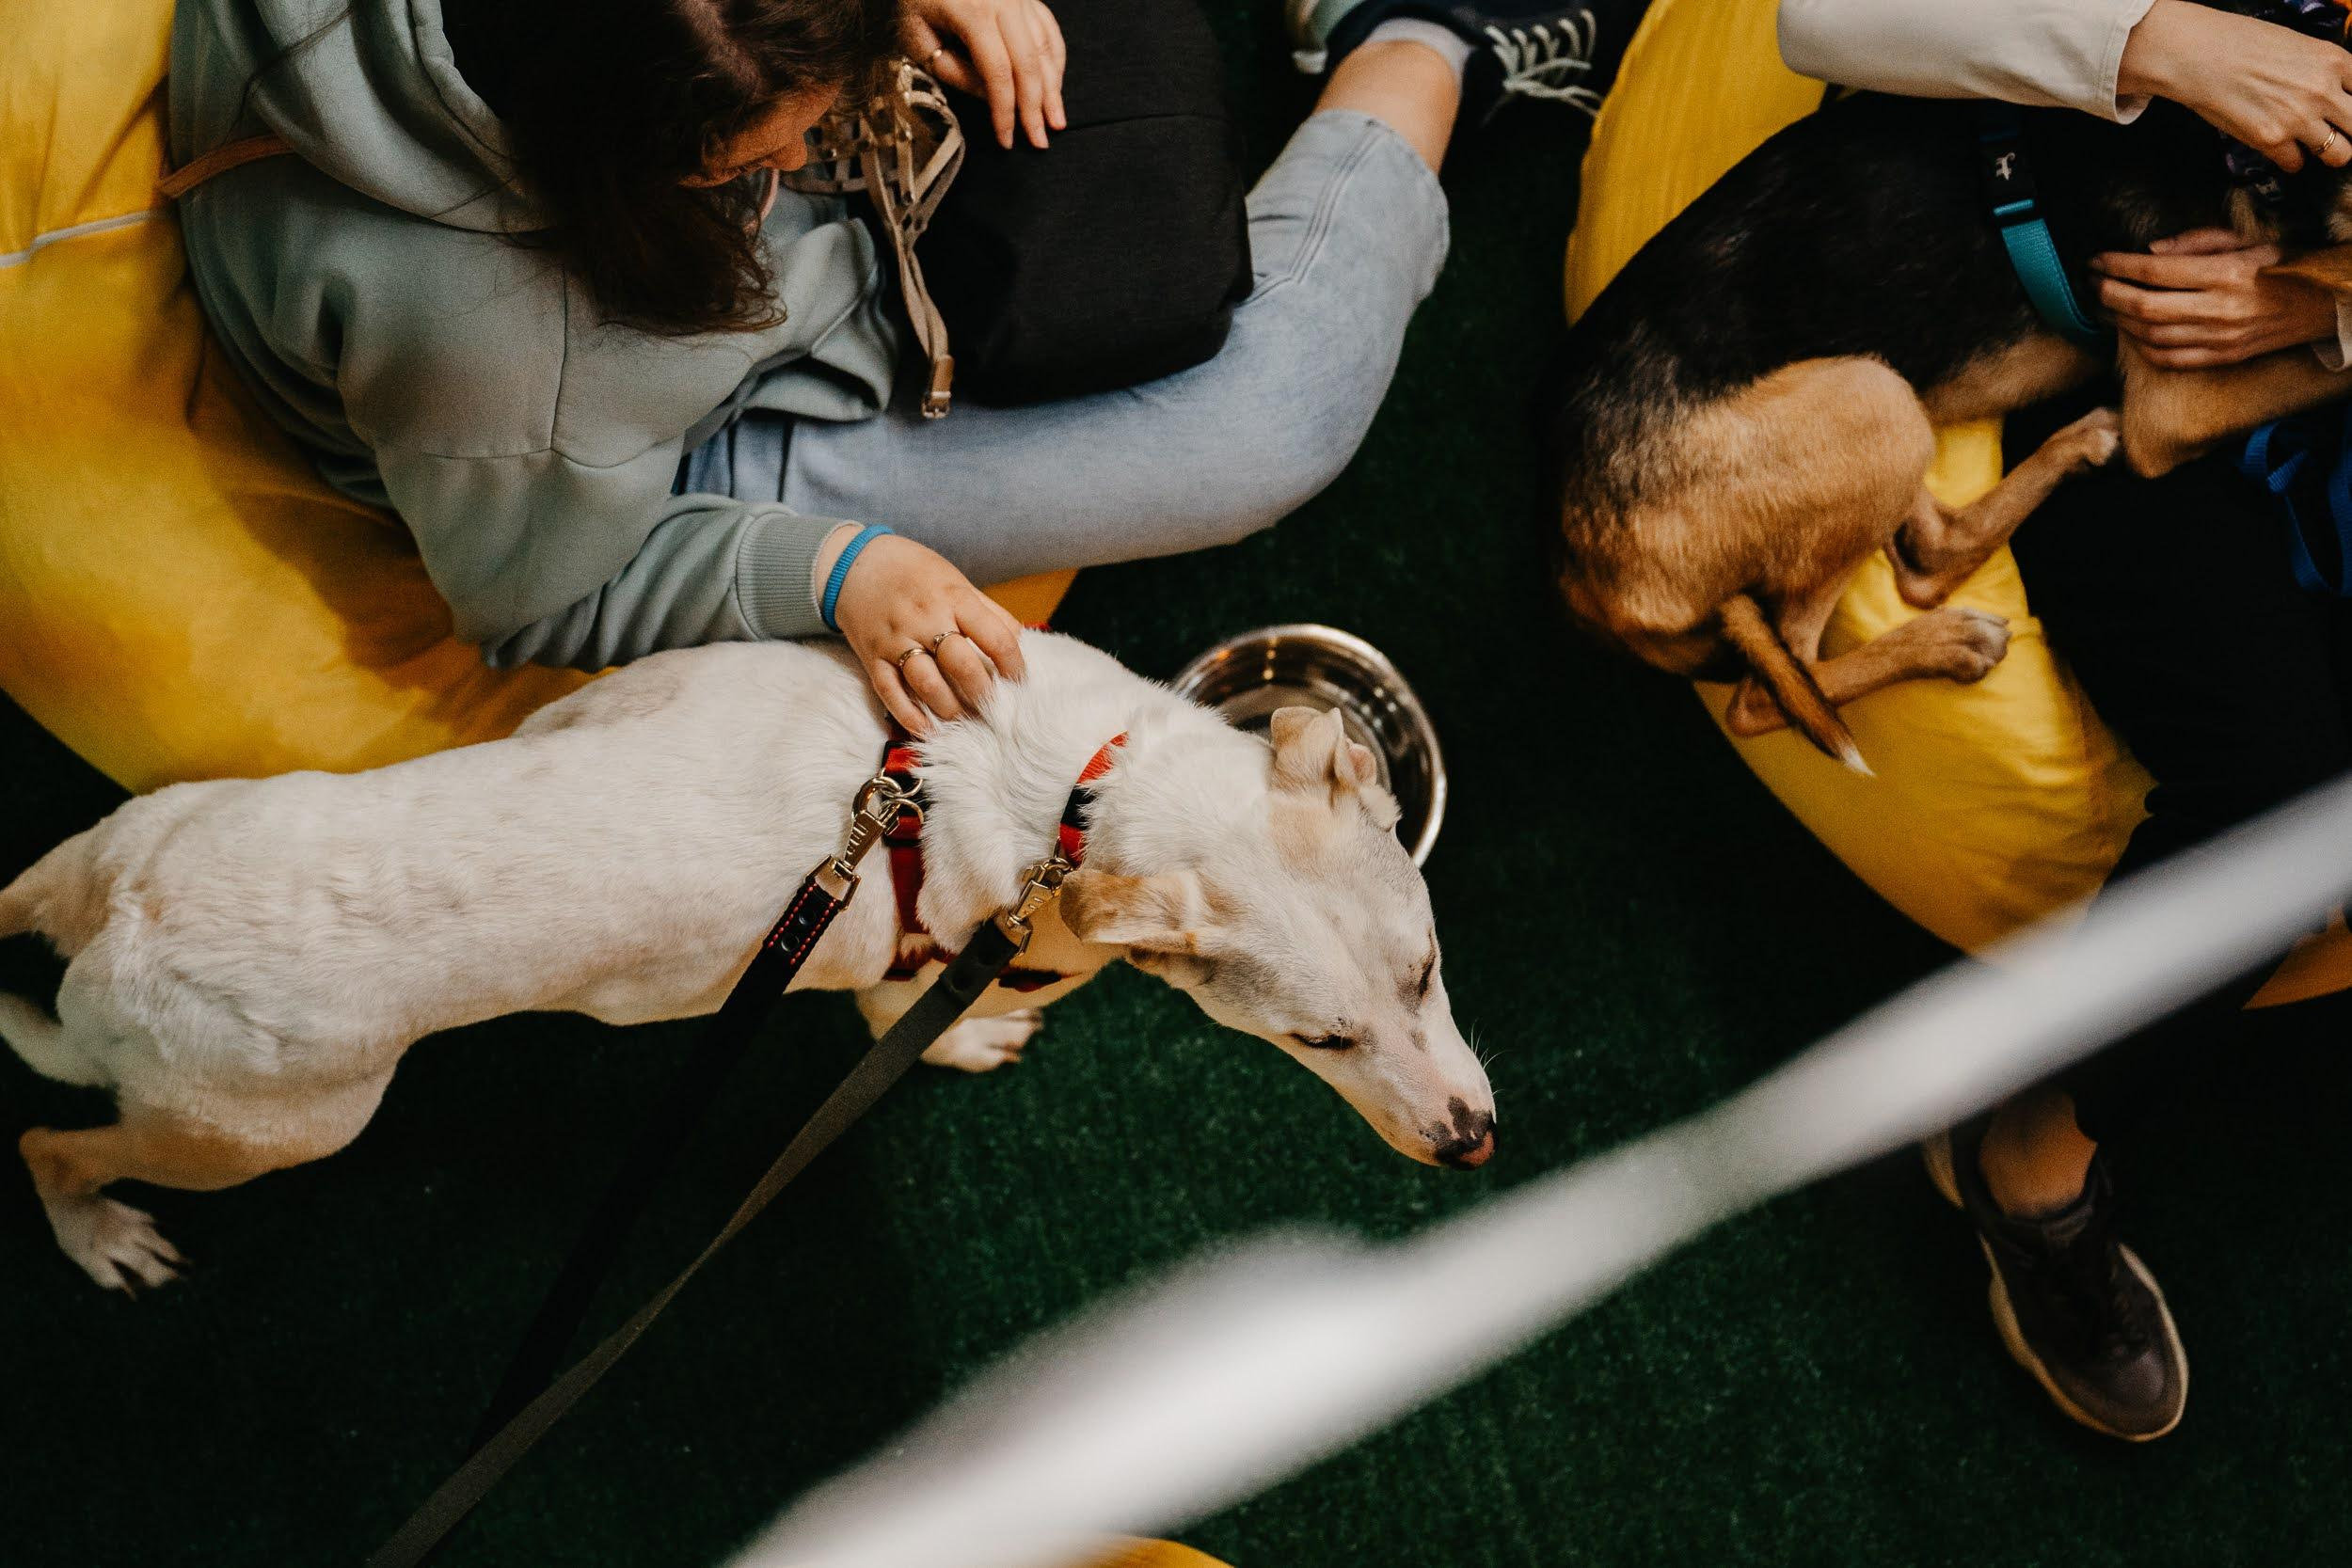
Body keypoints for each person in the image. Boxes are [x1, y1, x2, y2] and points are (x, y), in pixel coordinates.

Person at [167, 0, 1637, 739]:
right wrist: (833, 572)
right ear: (651, 172)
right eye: (776, 151)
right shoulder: (492, 352)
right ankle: (1424, 37)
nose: (816, 151)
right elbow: (551, 592)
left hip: (642, 235)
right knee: (1271, 417)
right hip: (648, 431)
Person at [1780, 0, 2352, 1442]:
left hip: (2303, 331)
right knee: (2298, 800)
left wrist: (2331, 308)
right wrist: (2155, 40)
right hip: (2073, 304)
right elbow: (1820, 18)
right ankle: (2025, 1159)